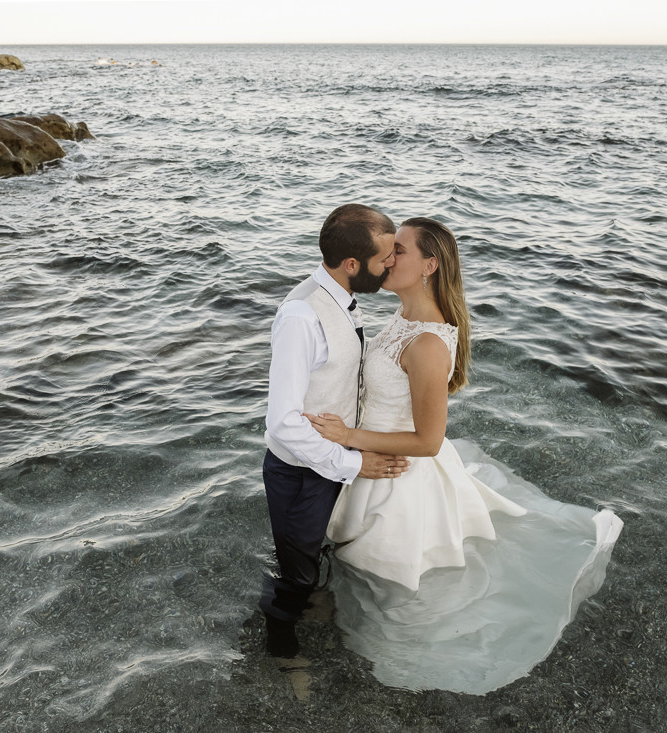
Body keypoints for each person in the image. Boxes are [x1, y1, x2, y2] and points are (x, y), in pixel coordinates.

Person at [305, 217, 623, 693]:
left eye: (400, 252)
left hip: (396, 477)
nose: (388, 260)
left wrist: (350, 436)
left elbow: (429, 442)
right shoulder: (403, 318)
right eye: (389, 251)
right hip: (369, 461)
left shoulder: (429, 342)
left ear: (429, 265)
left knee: (387, 588)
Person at [259, 203, 410, 659]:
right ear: (351, 265)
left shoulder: (343, 298)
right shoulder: (302, 317)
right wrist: (354, 462)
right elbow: (282, 424)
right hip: (301, 474)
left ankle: (314, 603)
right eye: (384, 259)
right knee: (294, 576)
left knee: (307, 558)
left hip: (324, 464)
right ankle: (283, 654)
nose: (391, 265)